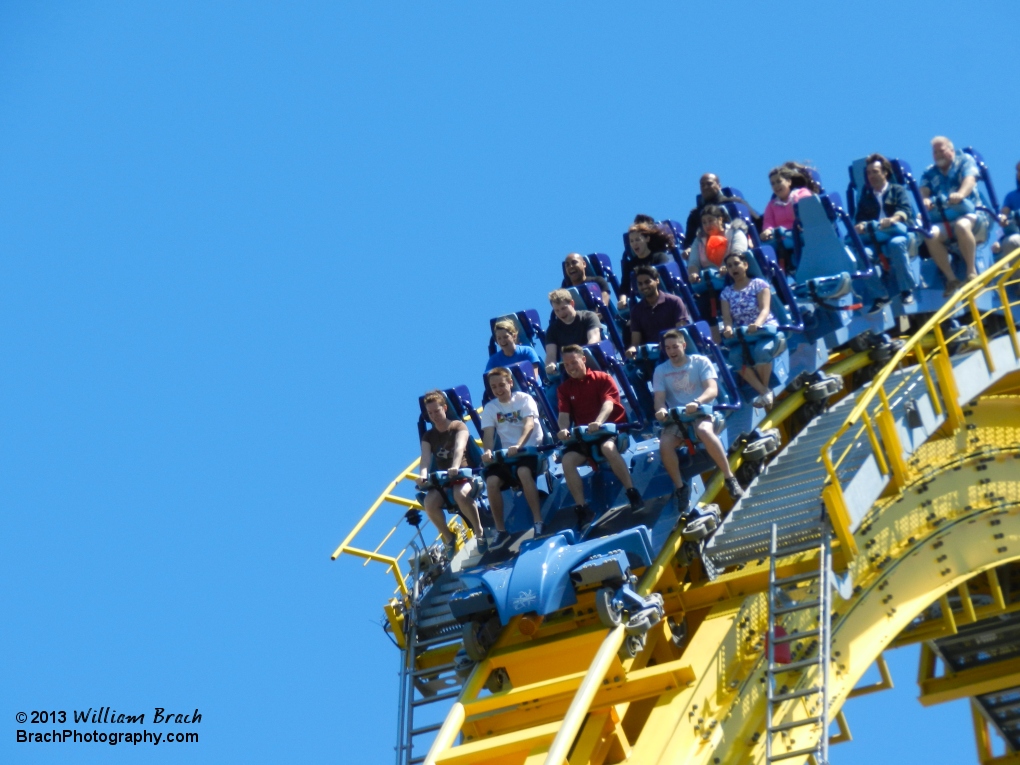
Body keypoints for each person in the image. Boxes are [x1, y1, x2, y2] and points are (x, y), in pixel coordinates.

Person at [653, 330, 743, 511]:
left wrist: (696, 402)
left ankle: (729, 477)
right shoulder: (661, 370)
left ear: (683, 345)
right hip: (678, 418)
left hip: (701, 412)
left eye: (675, 347)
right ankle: (681, 487)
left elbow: (712, 390)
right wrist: (661, 411)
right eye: (668, 348)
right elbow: (659, 399)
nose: (672, 351)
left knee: (703, 430)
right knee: (665, 443)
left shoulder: (700, 362)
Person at [556, 345, 643, 520]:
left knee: (608, 448)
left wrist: (598, 422)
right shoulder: (564, 389)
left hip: (609, 430)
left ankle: (632, 492)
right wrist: (563, 430)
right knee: (567, 460)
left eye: (574, 362)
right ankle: (583, 508)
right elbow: (564, 415)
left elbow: (608, 404)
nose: (571, 367)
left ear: (583, 359)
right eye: (567, 365)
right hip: (585, 436)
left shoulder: (603, 378)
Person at [480, 368, 546, 545]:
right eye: (494, 387)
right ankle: (500, 530)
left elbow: (529, 424)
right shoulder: (491, 407)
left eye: (502, 385)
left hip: (529, 448)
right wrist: (487, 451)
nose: (498, 390)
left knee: (524, 472)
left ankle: (538, 521)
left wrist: (519, 445)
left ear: (510, 383)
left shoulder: (524, 399)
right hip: (507, 455)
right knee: (491, 482)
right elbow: (488, 434)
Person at [417, 390, 486, 555]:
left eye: (437, 411)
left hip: (464, 474)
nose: (434, 415)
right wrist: (422, 475)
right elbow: (425, 459)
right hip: (443, 480)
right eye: (430, 413)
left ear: (445, 408)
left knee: (460, 494)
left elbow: (460, 448)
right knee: (429, 503)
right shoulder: (429, 436)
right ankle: (449, 538)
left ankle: (479, 532)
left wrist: (455, 467)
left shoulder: (458, 426)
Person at [920, 136, 990, 295]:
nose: (938, 154)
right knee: (930, 234)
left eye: (941, 151)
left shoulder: (964, 160)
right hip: (945, 218)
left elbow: (970, 180)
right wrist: (924, 201)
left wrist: (960, 194)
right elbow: (923, 191)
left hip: (973, 215)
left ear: (951, 150)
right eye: (935, 152)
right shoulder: (929, 172)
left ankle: (972, 272)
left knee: (961, 225)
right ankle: (952, 279)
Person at [720, 252, 782, 410]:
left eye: (737, 264)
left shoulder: (759, 284)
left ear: (745, 265)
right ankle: (764, 391)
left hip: (763, 329)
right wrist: (727, 328)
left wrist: (757, 323)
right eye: (730, 265)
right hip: (743, 334)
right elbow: (727, 319)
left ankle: (764, 390)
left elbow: (765, 309)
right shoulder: (726, 293)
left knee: (761, 351)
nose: (734, 268)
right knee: (734, 357)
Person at [853, 153, 918, 306]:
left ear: (885, 172)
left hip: (900, 234)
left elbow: (905, 211)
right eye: (868, 173)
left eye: (875, 172)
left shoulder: (897, 190)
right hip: (876, 239)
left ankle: (906, 289)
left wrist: (893, 219)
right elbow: (859, 219)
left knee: (895, 244)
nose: (871, 176)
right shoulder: (866, 197)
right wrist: (860, 226)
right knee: (862, 254)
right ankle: (880, 295)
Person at [687, 205, 750, 332]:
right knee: (703, 304)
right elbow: (693, 262)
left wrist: (727, 267)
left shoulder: (734, 232)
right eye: (704, 222)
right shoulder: (699, 241)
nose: (707, 225)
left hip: (733, 276)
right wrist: (693, 273)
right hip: (710, 282)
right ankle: (716, 342)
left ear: (720, 219)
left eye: (710, 220)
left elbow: (738, 252)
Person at [624, 264, 692, 357]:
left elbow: (680, 332)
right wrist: (632, 349)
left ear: (657, 281)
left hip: (677, 351)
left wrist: (666, 343)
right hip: (655, 356)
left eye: (647, 282)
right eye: (640, 284)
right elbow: (636, 341)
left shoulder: (674, 301)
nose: (644, 286)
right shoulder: (636, 311)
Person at [682, 173, 762, 249]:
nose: (705, 187)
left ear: (719, 186)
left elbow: (758, 223)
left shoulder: (735, 202)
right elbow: (689, 242)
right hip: (709, 255)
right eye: (702, 185)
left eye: (709, 184)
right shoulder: (695, 214)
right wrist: (689, 249)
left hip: (737, 249)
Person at [618, 219, 675, 309]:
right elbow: (625, 286)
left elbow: (665, 280)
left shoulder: (659, 257)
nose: (634, 244)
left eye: (637, 240)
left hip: (664, 298)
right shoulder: (630, 265)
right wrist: (623, 299)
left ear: (647, 239)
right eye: (631, 241)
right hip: (645, 303)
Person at [544, 289, 601, 375]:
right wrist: (551, 364)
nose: (561, 313)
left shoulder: (588, 317)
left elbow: (594, 340)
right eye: (557, 310)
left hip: (590, 363)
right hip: (569, 370)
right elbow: (551, 354)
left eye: (564, 308)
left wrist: (579, 357)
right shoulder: (552, 330)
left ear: (572, 303)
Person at [761, 165, 814, 242]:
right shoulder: (771, 205)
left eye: (779, 181)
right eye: (773, 184)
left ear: (789, 182)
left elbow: (807, 210)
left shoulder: (801, 193)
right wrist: (768, 231)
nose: (776, 186)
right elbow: (768, 223)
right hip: (783, 240)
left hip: (804, 234)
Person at [993, 161, 1020, 257]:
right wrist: (1002, 218)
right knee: (1009, 242)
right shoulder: (1011, 197)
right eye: (1018, 170)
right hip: (1016, 236)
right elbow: (1004, 215)